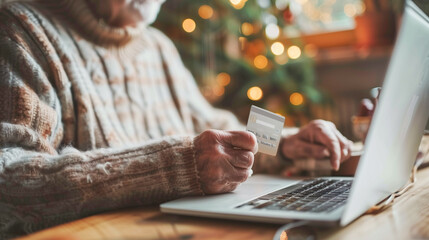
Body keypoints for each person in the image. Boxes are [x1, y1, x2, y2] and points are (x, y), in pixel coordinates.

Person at [0, 0, 353, 238]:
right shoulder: (19, 27)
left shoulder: (156, 46)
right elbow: (9, 182)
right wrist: (176, 167)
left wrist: (289, 143)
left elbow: (220, 129)